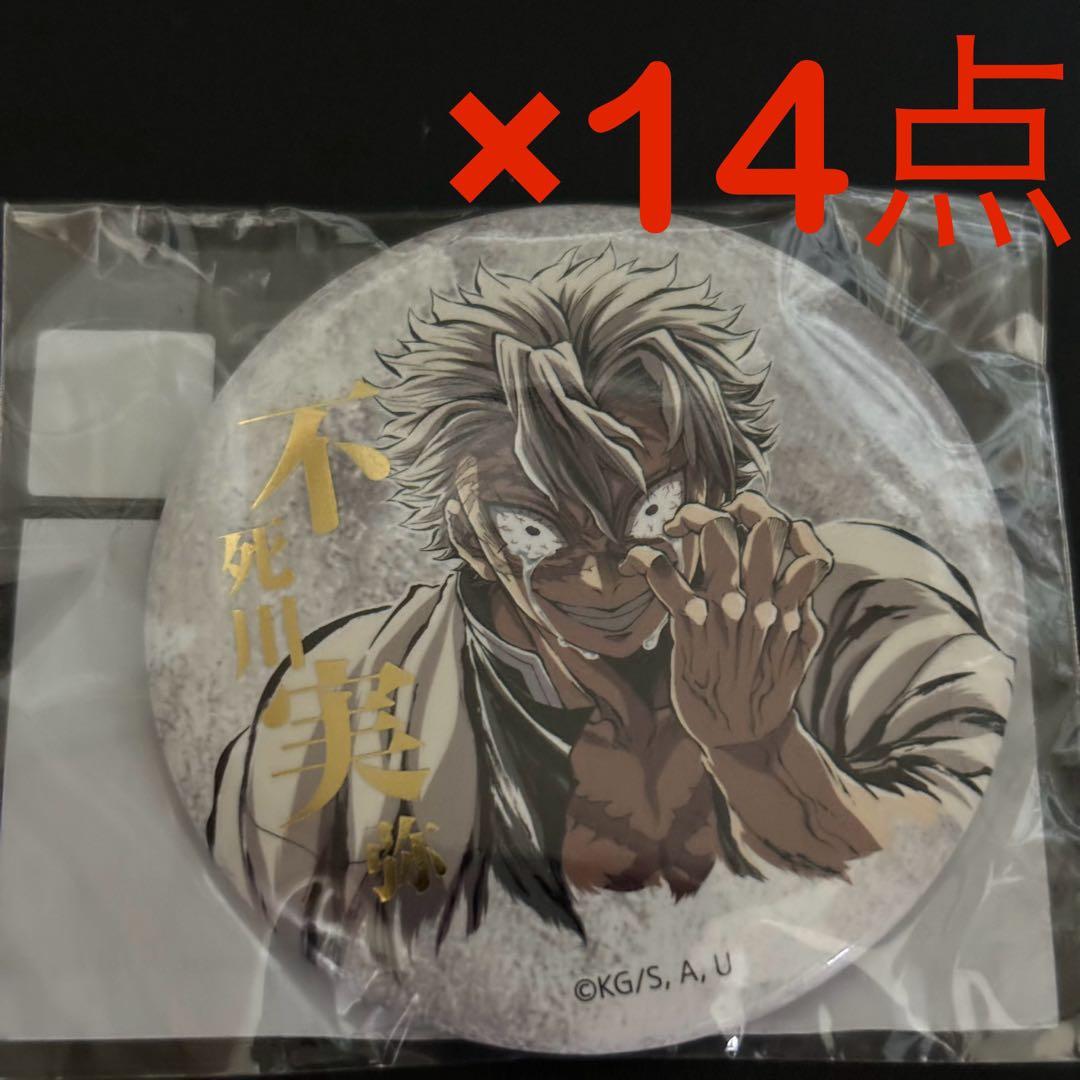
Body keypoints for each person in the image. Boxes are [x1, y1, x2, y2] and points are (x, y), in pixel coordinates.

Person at [209, 248, 1011, 975]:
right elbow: (273, 952)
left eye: (653, 510)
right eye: (534, 530)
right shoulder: (337, 706)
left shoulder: (865, 604)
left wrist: (759, 748)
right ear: (472, 535)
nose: (603, 579)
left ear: (721, 480)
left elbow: (961, 861)